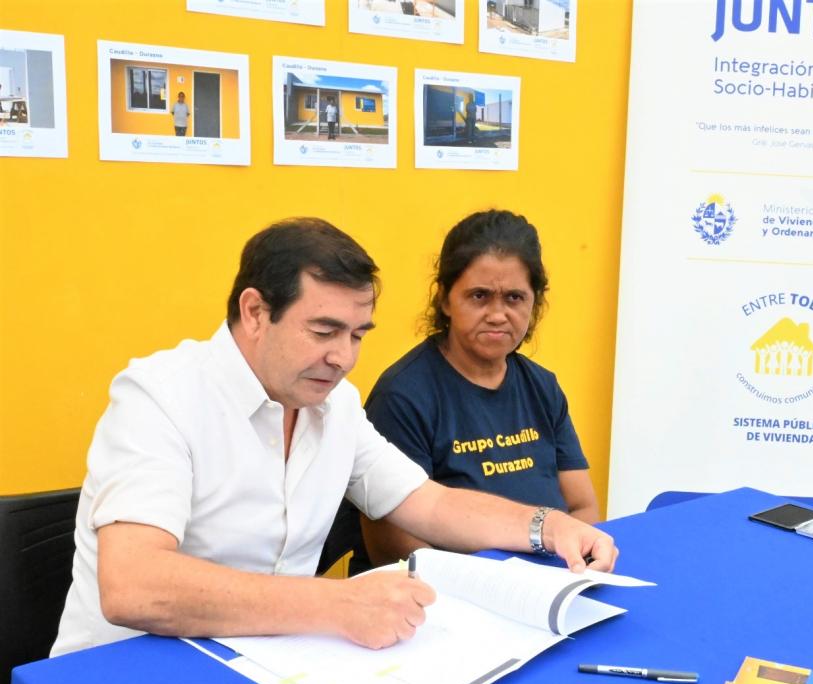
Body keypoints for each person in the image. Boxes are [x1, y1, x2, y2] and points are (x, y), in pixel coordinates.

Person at [51, 217, 617, 657]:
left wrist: (546, 526)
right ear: (254, 311)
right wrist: (335, 603)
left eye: (357, 335)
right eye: (323, 331)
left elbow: (429, 503)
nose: (343, 358)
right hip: (129, 669)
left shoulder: (334, 404)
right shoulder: (159, 397)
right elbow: (134, 585)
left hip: (270, 661)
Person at [350, 209, 601, 573]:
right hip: (451, 598)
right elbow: (393, 547)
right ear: (445, 299)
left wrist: (571, 569)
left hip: (549, 581)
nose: (498, 314)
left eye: (514, 298)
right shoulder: (403, 395)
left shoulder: (543, 387)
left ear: (535, 302)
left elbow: (583, 508)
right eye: (479, 296)